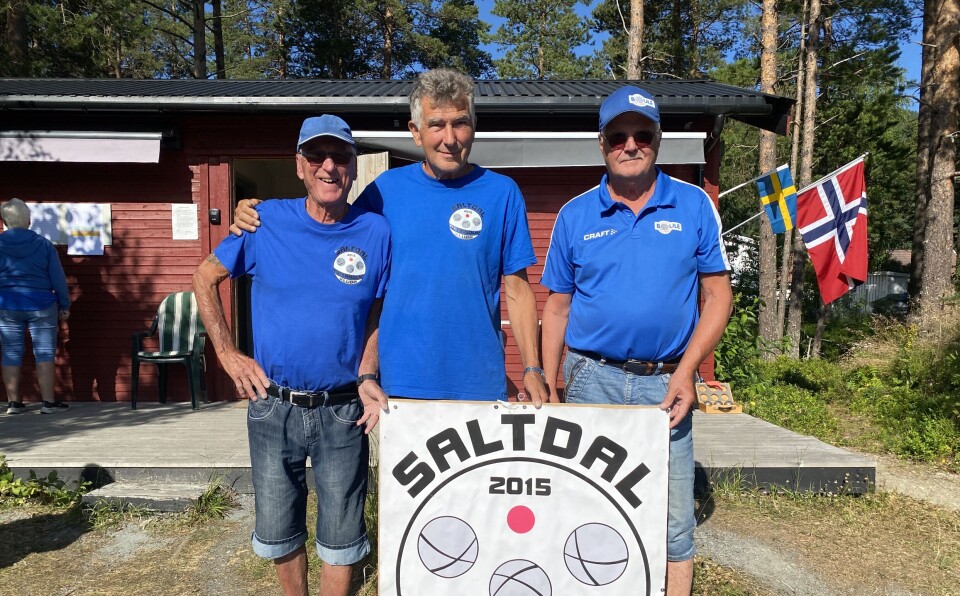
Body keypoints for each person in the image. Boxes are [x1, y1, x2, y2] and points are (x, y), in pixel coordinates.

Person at [232, 68, 547, 406]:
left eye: (460, 123)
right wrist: (251, 214)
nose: (450, 138)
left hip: (479, 383)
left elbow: (517, 288)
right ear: (415, 132)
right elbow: (332, 232)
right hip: (399, 385)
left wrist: (532, 366)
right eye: (436, 125)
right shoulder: (385, 191)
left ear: (474, 126)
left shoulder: (502, 193)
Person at [540, 86, 733, 595]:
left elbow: (717, 297)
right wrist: (549, 380)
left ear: (658, 140)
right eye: (618, 136)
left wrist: (689, 371)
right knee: (587, 503)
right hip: (590, 381)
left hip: (667, 382)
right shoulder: (575, 215)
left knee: (671, 511)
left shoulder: (692, 205)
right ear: (601, 144)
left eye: (642, 134)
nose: (631, 145)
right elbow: (556, 308)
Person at [193, 115, 391, 596]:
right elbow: (204, 277)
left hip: (343, 408)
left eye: (340, 157)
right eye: (317, 157)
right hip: (273, 405)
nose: (329, 167)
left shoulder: (376, 232)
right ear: (299, 165)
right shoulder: (264, 222)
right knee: (280, 525)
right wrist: (228, 354)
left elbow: (378, 314)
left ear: (353, 167)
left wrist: (367, 374)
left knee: (343, 533)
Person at [0, 198, 71, 415]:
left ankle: (14, 403)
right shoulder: (43, 244)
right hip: (41, 305)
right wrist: (64, 304)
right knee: (45, 353)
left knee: (10, 353)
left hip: (7, 306)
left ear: (4, 221)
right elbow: (57, 278)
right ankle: (47, 403)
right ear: (28, 220)